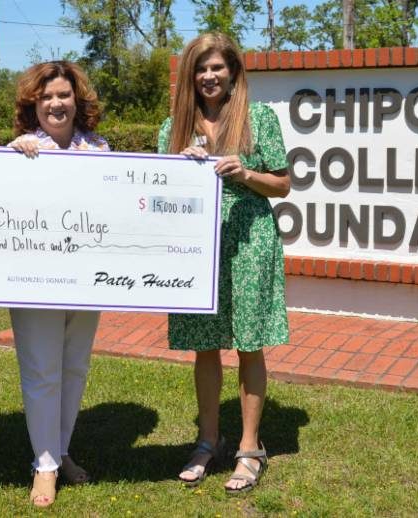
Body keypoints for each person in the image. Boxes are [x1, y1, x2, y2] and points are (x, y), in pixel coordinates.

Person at [158, 32, 291, 494]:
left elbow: (284, 184)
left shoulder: (258, 118)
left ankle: (249, 448)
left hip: (250, 240)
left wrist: (246, 172)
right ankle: (207, 441)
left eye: (217, 67)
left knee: (249, 343)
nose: (209, 76)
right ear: (190, 76)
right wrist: (181, 164)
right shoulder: (174, 126)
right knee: (206, 344)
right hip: (197, 247)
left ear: (233, 71)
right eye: (201, 68)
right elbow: (157, 190)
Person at [7, 61, 110, 507]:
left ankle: (61, 450)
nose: (55, 103)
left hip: (86, 278)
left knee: (74, 368)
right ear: (34, 103)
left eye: (63, 95)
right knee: (42, 370)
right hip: (35, 280)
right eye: (46, 96)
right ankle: (44, 466)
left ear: (76, 100)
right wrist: (8, 159)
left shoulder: (100, 149)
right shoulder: (21, 150)